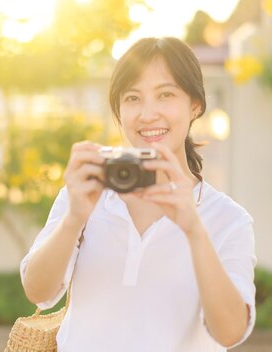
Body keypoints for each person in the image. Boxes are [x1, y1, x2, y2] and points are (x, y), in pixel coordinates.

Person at [20, 37, 256, 351]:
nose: (147, 114)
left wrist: (194, 229)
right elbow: (38, 292)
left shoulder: (228, 219)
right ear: (119, 109)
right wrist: (74, 218)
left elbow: (230, 332)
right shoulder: (84, 196)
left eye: (165, 95)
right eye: (132, 98)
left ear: (195, 105)